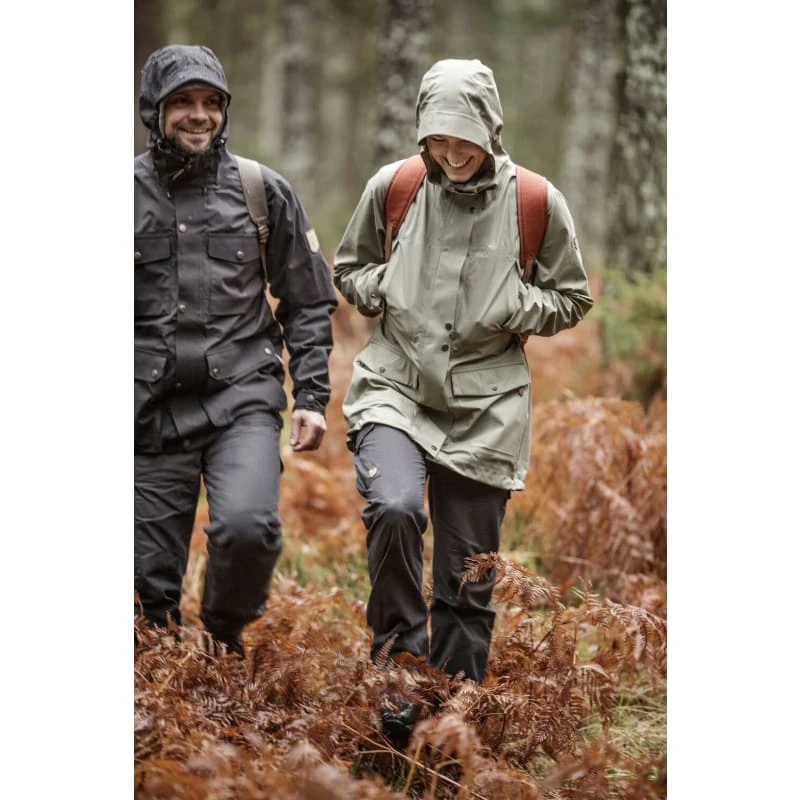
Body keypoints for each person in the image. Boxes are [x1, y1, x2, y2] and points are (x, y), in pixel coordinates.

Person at [333, 58, 593, 742]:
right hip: (394, 387)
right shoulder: (395, 186)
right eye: (439, 140)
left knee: (467, 576)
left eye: (465, 141)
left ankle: (450, 724)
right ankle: (399, 678)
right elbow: (350, 269)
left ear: (491, 130)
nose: (451, 155)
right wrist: (384, 287)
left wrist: (515, 305)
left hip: (487, 409)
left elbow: (572, 297)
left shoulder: (535, 201)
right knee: (393, 509)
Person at [134, 44, 337, 656]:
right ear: (154, 110)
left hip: (240, 401)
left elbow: (307, 299)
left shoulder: (261, 190)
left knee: (249, 530)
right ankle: (161, 676)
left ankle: (222, 640)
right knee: (144, 590)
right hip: (146, 411)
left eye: (211, 102)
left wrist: (312, 396)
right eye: (182, 102)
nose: (199, 115)